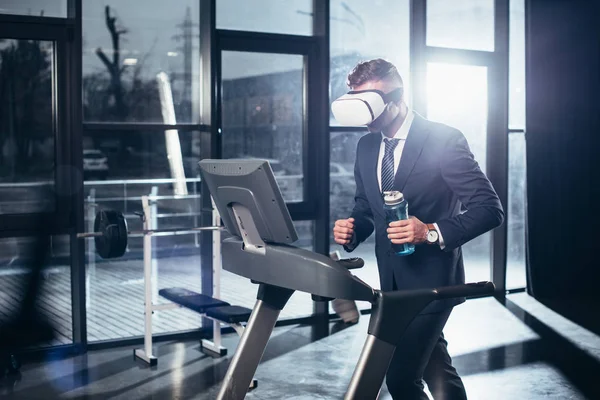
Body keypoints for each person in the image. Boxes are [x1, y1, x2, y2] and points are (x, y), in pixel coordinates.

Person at [331, 59, 504, 399]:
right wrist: (352, 230)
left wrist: (430, 231)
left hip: (434, 283)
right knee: (436, 364)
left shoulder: (443, 139)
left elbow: (489, 209)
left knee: (399, 377)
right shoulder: (367, 147)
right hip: (392, 284)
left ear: (396, 98)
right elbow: (367, 208)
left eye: (370, 102)